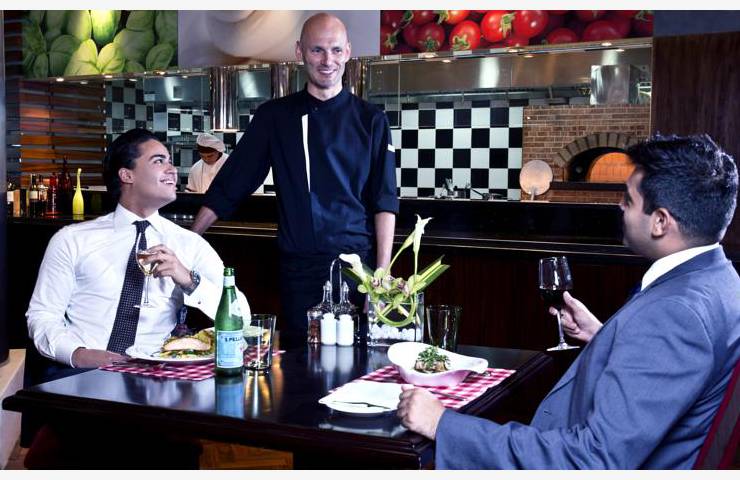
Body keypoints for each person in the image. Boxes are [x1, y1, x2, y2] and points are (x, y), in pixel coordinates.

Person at [398, 134, 740, 469]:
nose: (620, 207)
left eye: (628, 199)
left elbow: (590, 460)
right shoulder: (721, 280)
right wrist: (605, 336)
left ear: (661, 221)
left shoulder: (674, 314)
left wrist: (441, 423)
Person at [191, 13, 398, 348]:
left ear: (348, 52)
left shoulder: (371, 120)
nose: (327, 60)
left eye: (335, 50)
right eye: (317, 50)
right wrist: (189, 241)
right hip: (298, 269)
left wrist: (381, 278)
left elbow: (384, 200)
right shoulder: (275, 116)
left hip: (357, 270)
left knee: (358, 361)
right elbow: (233, 182)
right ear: (300, 52)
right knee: (301, 363)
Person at [26, 128, 250, 380]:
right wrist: (78, 354)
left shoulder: (190, 244)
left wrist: (188, 280)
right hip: (81, 374)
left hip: (154, 378)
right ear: (127, 175)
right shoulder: (72, 240)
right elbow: (43, 316)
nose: (172, 170)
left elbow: (242, 316)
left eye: (170, 161)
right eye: (159, 161)